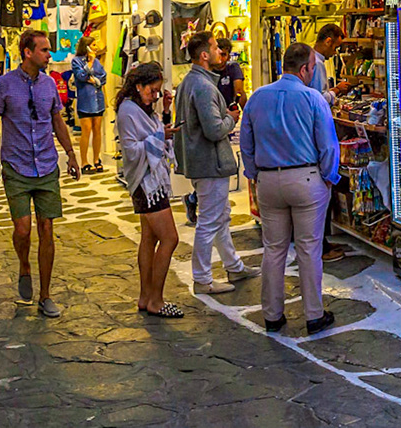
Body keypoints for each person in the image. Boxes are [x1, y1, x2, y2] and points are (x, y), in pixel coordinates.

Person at [239, 42, 339, 334]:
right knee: (309, 249)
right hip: (307, 178)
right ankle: (313, 314)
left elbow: (247, 142)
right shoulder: (313, 99)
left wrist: (254, 173)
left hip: (269, 180)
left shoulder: (257, 97)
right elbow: (328, 144)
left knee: (273, 249)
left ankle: (272, 314)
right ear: (306, 68)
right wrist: (328, 176)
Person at [0, 29, 82, 317]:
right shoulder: (5, 84)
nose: (50, 55)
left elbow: (57, 121)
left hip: (47, 165)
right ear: (28, 52)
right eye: (45, 50)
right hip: (17, 165)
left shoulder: (50, 84)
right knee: (23, 229)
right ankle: (24, 265)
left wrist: (71, 154)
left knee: (47, 229)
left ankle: (46, 295)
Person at [175, 32, 252, 294]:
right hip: (210, 163)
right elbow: (214, 129)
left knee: (219, 218)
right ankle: (202, 279)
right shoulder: (203, 86)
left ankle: (233, 265)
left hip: (202, 161)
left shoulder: (191, 82)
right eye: (217, 47)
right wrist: (232, 117)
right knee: (209, 221)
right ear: (204, 55)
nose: (222, 51)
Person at [116, 62, 183, 318]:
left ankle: (145, 297)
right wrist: (159, 136)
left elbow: (154, 131)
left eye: (157, 91)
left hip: (149, 181)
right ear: (138, 86)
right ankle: (156, 299)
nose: (154, 96)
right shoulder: (129, 111)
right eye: (152, 91)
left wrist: (164, 111)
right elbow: (133, 151)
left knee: (149, 238)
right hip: (147, 184)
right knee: (170, 239)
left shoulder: (139, 109)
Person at [308, 24, 349, 262]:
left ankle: (321, 241)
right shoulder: (319, 64)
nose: (336, 51)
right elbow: (318, 99)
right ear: (329, 40)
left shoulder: (313, 61)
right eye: (337, 46)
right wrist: (336, 91)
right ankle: (321, 245)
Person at [70, 39, 108, 173]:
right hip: (85, 101)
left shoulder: (98, 62)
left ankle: (97, 159)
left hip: (98, 100)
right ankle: (84, 161)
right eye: (93, 45)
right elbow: (80, 76)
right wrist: (90, 64)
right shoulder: (76, 61)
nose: (96, 47)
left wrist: (92, 80)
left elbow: (103, 77)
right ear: (86, 47)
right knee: (86, 129)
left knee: (97, 128)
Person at [213, 37, 246, 116]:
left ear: (228, 57)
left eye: (223, 55)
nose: (220, 58)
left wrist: (247, 115)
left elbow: (239, 91)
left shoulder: (233, 67)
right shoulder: (208, 69)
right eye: (218, 54)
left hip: (229, 112)